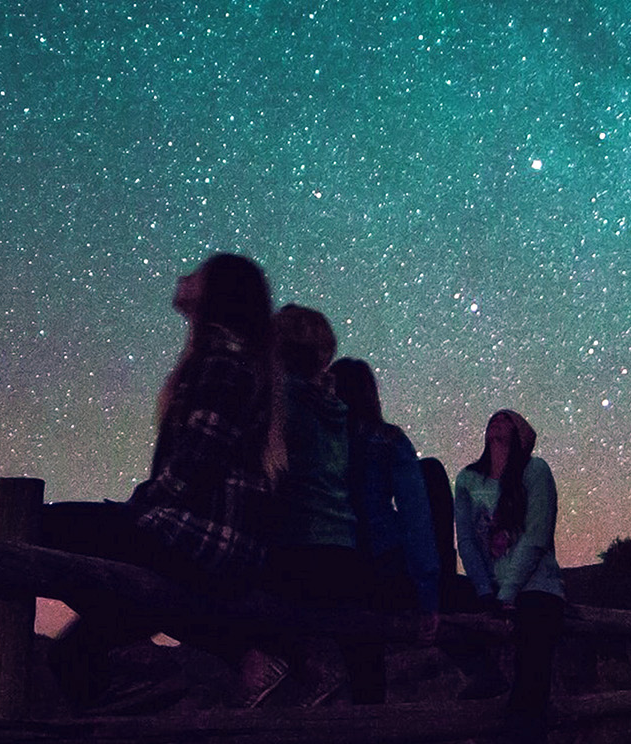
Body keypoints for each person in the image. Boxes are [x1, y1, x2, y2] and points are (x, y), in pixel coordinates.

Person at [39, 253, 283, 710]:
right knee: (70, 657)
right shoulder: (225, 360)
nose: (183, 277)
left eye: (198, 273)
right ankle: (158, 688)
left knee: (40, 527)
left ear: (217, 293)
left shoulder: (223, 363)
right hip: (208, 539)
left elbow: (193, 469)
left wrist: (137, 509)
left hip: (207, 542)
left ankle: (235, 652)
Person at [257, 305, 386, 705]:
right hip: (342, 550)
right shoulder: (336, 411)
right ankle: (376, 725)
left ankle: (292, 674)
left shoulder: (281, 401)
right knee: (364, 654)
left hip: (296, 547)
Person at [454, 409, 564, 735]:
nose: (498, 419)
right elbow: (467, 542)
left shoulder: (535, 470)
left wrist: (507, 592)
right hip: (490, 588)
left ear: (522, 434)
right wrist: (485, 591)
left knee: (531, 679)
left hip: (535, 586)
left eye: (508, 419)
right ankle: (484, 677)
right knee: (445, 596)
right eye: (493, 417)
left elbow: (536, 536)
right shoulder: (467, 480)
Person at [332, 357, 441, 641]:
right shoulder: (388, 439)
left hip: (334, 555)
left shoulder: (320, 436)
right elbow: (415, 517)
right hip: (383, 559)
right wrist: (427, 594)